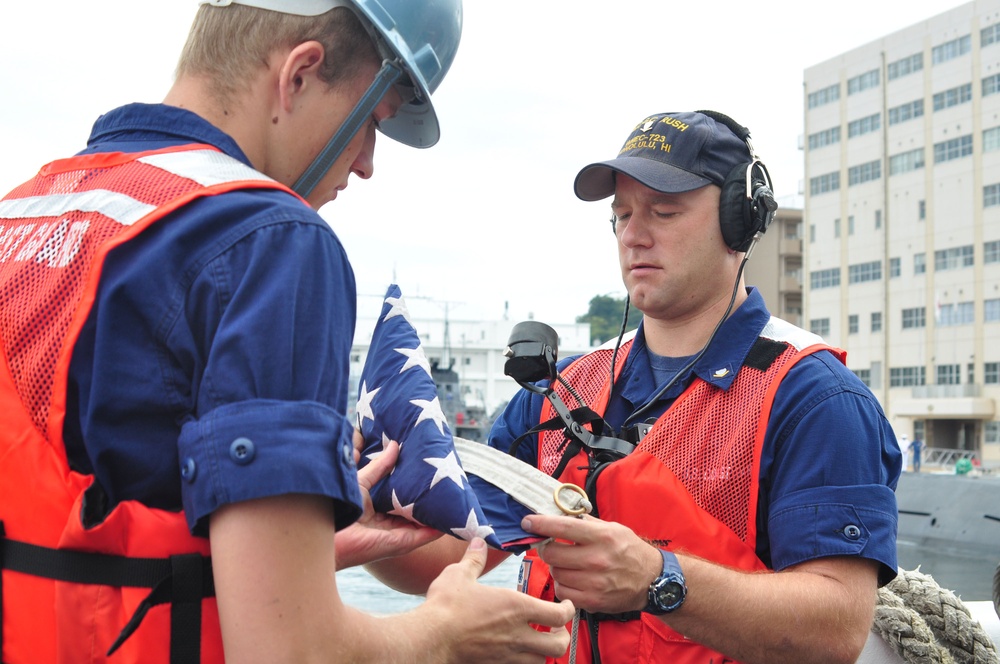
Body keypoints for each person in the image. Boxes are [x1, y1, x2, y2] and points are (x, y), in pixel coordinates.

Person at [0, 1, 574, 662]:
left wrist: (290, 551)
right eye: (370, 122)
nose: (365, 164)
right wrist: (446, 630)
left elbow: (77, 517)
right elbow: (291, 653)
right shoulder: (272, 242)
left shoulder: (27, 211)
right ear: (300, 74)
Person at [366, 110, 902, 664]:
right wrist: (360, 518)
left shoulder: (814, 400)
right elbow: (447, 556)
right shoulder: (561, 392)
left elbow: (836, 630)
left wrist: (658, 579)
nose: (634, 235)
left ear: (738, 220)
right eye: (620, 215)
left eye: (663, 212)